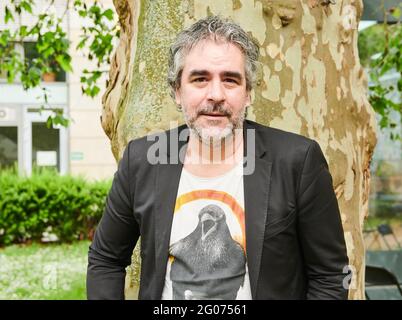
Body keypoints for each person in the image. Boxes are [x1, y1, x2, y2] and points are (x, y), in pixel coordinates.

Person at [87, 15, 349, 300]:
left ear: (248, 93)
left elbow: (331, 275)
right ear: (177, 91)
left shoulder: (298, 161)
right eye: (200, 79)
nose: (216, 94)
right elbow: (106, 259)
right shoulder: (142, 160)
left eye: (231, 80)